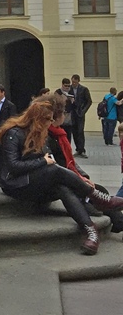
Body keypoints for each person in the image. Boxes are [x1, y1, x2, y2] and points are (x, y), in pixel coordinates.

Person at [0, 95, 123, 255]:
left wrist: (76, 175)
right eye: (48, 119)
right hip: (13, 184)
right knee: (52, 169)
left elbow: (53, 160)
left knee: (62, 188)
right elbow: (13, 167)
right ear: (38, 119)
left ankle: (90, 231)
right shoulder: (13, 133)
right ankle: (99, 198)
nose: (50, 122)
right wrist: (43, 162)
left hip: (33, 180)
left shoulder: (41, 134)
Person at [44, 94, 123, 233]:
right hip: (61, 178)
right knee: (96, 195)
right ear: (56, 117)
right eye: (64, 113)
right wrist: (79, 179)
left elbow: (71, 162)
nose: (66, 115)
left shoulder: (59, 134)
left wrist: (83, 176)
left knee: (100, 190)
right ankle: (118, 221)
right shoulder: (48, 136)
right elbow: (57, 164)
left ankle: (117, 221)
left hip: (69, 175)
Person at [69, 74, 92, 158]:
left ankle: (82, 149)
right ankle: (78, 149)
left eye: (75, 82)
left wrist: (83, 111)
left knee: (80, 131)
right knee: (74, 131)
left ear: (78, 81)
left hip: (80, 112)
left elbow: (89, 101)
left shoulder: (84, 89)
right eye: (72, 82)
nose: (73, 83)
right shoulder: (69, 89)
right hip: (72, 113)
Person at [55, 78, 75, 147]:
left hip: (68, 115)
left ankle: (68, 146)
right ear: (62, 85)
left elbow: (75, 104)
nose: (67, 88)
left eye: (68, 86)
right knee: (60, 132)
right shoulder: (58, 92)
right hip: (60, 115)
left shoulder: (71, 92)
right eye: (65, 86)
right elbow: (55, 103)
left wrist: (72, 101)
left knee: (68, 133)